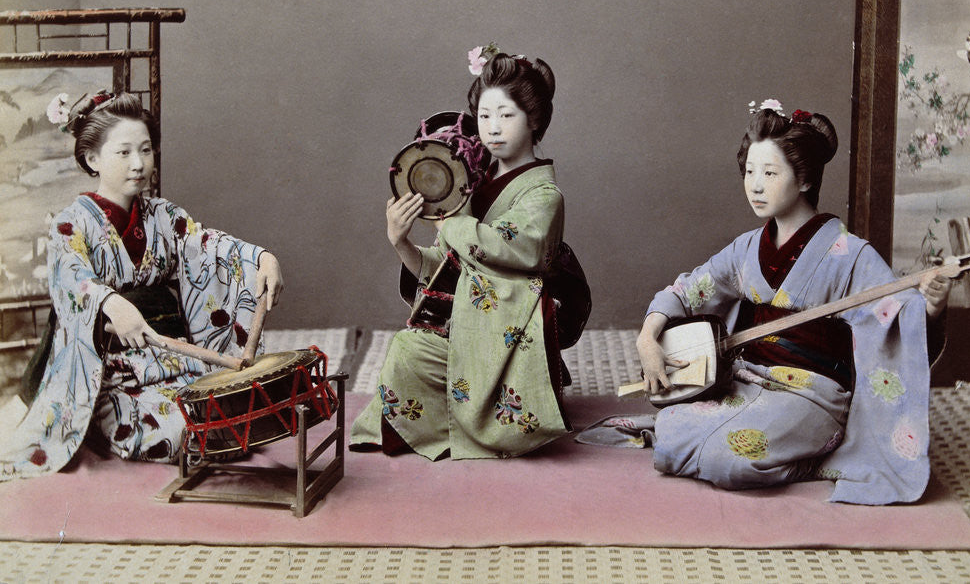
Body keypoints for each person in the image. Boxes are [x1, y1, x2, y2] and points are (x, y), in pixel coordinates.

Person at [579, 101, 951, 505]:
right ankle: (781, 443)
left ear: (805, 179)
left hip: (814, 393)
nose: (755, 185)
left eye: (770, 174)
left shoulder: (851, 254)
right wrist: (648, 336)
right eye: (750, 172)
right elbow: (687, 290)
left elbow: (898, 321)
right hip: (749, 377)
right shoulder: (747, 249)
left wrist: (930, 307)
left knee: (731, 459)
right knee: (671, 433)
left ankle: (820, 455)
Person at [0, 91, 284, 480]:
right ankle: (98, 429)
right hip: (110, 370)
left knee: (228, 411)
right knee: (179, 430)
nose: (139, 164)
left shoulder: (163, 216)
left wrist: (260, 258)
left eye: (146, 151)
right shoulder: (71, 225)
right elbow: (72, 278)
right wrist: (110, 303)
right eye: (124, 153)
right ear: (92, 158)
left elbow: (208, 245)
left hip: (170, 357)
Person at [350, 50, 577, 460]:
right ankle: (432, 424)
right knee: (406, 348)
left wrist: (448, 223)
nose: (493, 129)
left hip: (510, 324)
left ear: (535, 120)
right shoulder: (477, 182)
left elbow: (505, 248)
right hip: (473, 318)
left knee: (409, 353)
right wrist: (401, 242)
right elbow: (451, 267)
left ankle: (467, 425)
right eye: (485, 116)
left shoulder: (544, 195)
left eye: (506, 116)